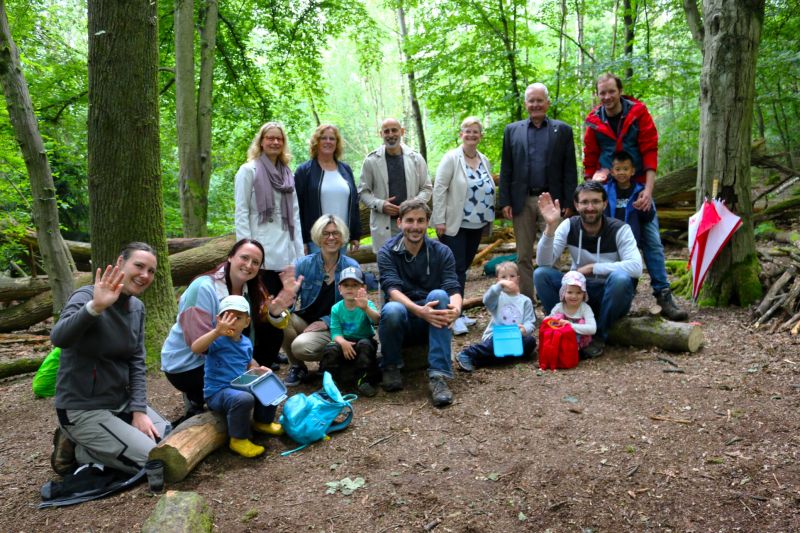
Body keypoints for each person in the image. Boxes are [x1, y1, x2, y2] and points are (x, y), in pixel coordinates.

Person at [50, 243, 170, 476]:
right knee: (156, 461)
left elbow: (137, 362)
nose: (145, 275)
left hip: (120, 402)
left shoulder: (137, 308)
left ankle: (105, 440)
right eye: (139, 266)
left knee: (171, 442)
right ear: (120, 264)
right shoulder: (86, 296)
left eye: (151, 271)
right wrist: (95, 307)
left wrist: (138, 411)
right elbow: (59, 338)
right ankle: (80, 449)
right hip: (83, 408)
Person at [583, 73, 687, 321]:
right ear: (598, 95)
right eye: (602, 93)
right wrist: (592, 187)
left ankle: (663, 295)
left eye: (611, 91)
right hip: (606, 191)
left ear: (619, 91)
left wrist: (648, 192)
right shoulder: (594, 122)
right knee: (606, 243)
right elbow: (590, 159)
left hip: (638, 187)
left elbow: (650, 152)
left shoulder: (638, 114)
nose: (607, 97)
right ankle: (607, 297)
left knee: (651, 241)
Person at [160, 239, 298, 420]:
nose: (249, 265)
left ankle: (245, 397)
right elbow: (198, 345)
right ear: (230, 257)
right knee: (240, 396)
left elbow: (268, 322)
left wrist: (274, 311)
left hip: (224, 356)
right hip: (189, 366)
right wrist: (245, 365)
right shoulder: (203, 288)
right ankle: (198, 397)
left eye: (255, 262)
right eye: (244, 258)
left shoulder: (252, 288)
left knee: (272, 332)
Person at [534, 181, 643, 358]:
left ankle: (599, 335)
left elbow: (637, 268)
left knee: (621, 279)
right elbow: (544, 262)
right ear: (576, 205)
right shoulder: (569, 225)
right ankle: (561, 324)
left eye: (595, 202)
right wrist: (550, 227)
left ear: (605, 204)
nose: (590, 207)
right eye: (584, 202)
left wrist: (593, 267)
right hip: (579, 294)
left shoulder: (620, 229)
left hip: (609, 294)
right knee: (541, 275)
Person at [377, 198, 462, 407]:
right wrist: (418, 310)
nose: (415, 227)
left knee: (440, 295)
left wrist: (457, 310)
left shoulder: (442, 252)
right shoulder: (387, 252)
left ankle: (438, 376)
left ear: (427, 223)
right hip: (402, 321)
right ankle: (391, 366)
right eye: (410, 221)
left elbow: (453, 287)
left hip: (431, 321)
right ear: (399, 223)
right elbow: (392, 290)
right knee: (393, 308)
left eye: (421, 221)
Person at [499, 82, 578, 300]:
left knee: (552, 252)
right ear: (525, 104)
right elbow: (507, 167)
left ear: (547, 103)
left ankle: (551, 300)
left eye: (539, 100)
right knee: (523, 254)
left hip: (553, 202)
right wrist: (504, 200)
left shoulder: (562, 130)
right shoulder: (512, 130)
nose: (535, 105)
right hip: (521, 200)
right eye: (531, 101)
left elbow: (569, 169)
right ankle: (525, 301)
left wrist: (570, 202)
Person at [235, 121, 304, 368]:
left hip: (284, 253)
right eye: (270, 138)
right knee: (260, 311)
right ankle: (258, 358)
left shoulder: (288, 174)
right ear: (261, 141)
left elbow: (294, 215)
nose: (274, 142)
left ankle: (271, 353)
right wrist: (246, 252)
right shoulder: (249, 170)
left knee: (280, 308)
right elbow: (242, 212)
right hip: (260, 254)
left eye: (279, 139)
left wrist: (298, 256)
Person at [191, 295, 283, 458]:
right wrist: (216, 332)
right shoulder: (216, 340)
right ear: (219, 319)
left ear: (247, 322)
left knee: (270, 384)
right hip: (218, 392)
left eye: (238, 318)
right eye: (227, 317)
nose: (232, 322)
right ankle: (238, 439)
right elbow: (196, 348)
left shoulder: (246, 342)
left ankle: (263, 421)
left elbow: (249, 363)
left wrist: (259, 370)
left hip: (240, 386)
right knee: (244, 399)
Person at [432, 116, 495, 335]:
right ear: (461, 134)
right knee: (454, 269)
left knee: (463, 268)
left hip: (475, 224)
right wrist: (438, 219)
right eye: (467, 131)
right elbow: (439, 188)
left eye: (475, 132)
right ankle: (451, 315)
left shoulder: (484, 159)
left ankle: (456, 310)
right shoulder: (451, 158)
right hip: (453, 224)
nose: (471, 135)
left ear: (480, 136)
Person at [282, 215, 359, 387]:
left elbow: (354, 308)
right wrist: (287, 297)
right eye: (325, 233)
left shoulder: (351, 266)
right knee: (281, 316)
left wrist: (326, 322)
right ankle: (297, 366)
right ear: (318, 237)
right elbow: (290, 301)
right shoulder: (303, 264)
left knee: (300, 346)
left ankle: (333, 360)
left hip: (337, 327)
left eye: (335, 233)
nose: (331, 238)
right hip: (307, 323)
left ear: (342, 237)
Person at [358, 117, 432, 253]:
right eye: (386, 131)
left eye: (394, 130)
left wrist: (413, 204)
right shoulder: (371, 161)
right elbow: (363, 191)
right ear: (381, 134)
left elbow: (426, 188)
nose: (390, 134)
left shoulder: (416, 158)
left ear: (402, 131)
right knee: (387, 264)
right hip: (384, 223)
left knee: (414, 262)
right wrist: (380, 205)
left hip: (412, 222)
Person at [455, 261, 537, 373]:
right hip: (496, 336)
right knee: (496, 345)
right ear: (498, 281)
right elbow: (486, 300)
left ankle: (489, 359)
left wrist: (525, 329)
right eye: (503, 277)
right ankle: (468, 354)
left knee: (530, 341)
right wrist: (499, 287)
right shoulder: (497, 298)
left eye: (512, 276)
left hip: (515, 337)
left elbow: (530, 322)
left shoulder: (525, 301)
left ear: (517, 279)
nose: (508, 280)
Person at [295, 124, 361, 254]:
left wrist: (355, 234)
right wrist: (302, 239)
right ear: (316, 142)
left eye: (332, 139)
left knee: (337, 273)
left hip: (341, 237)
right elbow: (297, 208)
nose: (328, 141)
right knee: (318, 274)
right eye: (324, 138)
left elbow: (354, 203)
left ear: (337, 143)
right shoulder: (304, 171)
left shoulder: (346, 170)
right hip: (315, 239)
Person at [319, 266, 381, 397]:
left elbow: (377, 320)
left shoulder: (366, 304)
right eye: (346, 285)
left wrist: (366, 309)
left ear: (362, 288)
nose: (350, 288)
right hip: (344, 342)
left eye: (354, 285)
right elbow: (335, 332)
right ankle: (330, 383)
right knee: (330, 348)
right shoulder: (336, 308)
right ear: (339, 289)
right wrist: (343, 343)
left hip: (363, 341)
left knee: (365, 345)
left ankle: (363, 381)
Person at [545, 270, 597, 352]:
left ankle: (580, 350)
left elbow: (592, 329)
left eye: (578, 292)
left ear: (584, 294)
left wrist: (571, 326)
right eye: (569, 292)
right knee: (557, 317)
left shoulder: (585, 308)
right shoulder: (559, 307)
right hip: (562, 341)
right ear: (563, 292)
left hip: (581, 343)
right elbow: (548, 321)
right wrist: (547, 320)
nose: (574, 296)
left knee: (582, 322)